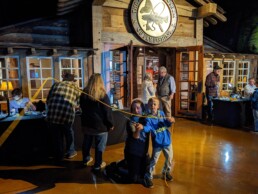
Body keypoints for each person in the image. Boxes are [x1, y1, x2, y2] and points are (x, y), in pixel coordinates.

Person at [136, 97, 175, 188]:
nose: (153, 106)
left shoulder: (161, 113)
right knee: (154, 161)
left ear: (158, 106)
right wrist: (143, 128)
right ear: (149, 106)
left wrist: (171, 121)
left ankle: (166, 172)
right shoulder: (148, 118)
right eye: (151, 104)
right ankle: (148, 176)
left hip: (167, 142)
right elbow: (148, 128)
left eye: (155, 104)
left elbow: (167, 123)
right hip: (157, 143)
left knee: (169, 159)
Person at [80, 73, 114, 171]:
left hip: (87, 124)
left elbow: (82, 107)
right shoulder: (103, 95)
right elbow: (107, 112)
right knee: (100, 146)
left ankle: (86, 159)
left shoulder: (84, 94)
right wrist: (110, 124)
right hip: (100, 126)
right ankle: (97, 164)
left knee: (87, 142)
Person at [46, 72, 81, 162]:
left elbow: (48, 100)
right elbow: (79, 103)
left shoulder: (56, 84)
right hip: (66, 115)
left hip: (52, 115)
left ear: (64, 79)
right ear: (73, 80)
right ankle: (70, 152)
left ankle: (58, 155)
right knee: (69, 133)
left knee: (56, 136)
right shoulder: (75, 87)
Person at [123, 99, 150, 183]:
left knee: (143, 173)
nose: (136, 110)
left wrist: (169, 121)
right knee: (133, 179)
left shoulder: (146, 119)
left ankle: (126, 163)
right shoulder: (130, 121)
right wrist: (138, 129)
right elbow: (135, 136)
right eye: (134, 108)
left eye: (138, 108)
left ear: (142, 109)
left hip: (143, 152)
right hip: (133, 152)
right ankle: (119, 165)